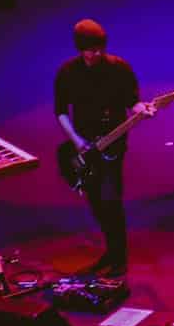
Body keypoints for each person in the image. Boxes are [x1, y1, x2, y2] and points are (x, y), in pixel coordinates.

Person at [55, 18, 156, 277]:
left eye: (100, 48)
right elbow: (61, 112)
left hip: (113, 144)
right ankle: (111, 251)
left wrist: (142, 109)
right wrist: (77, 141)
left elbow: (132, 102)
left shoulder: (118, 68)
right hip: (84, 146)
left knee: (111, 199)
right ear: (81, 49)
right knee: (96, 202)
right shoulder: (68, 72)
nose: (96, 54)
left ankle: (120, 258)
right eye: (91, 50)